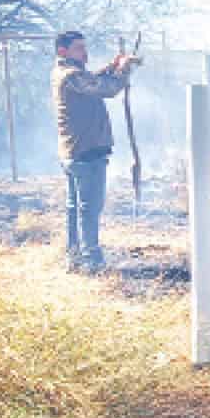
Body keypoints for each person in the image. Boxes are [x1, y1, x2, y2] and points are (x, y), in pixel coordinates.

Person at [51, 30, 140, 273]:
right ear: (63, 51)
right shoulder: (69, 75)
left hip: (77, 152)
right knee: (89, 209)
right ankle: (92, 262)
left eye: (84, 47)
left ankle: (75, 258)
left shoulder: (69, 73)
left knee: (76, 208)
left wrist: (112, 66)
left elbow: (92, 78)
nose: (85, 52)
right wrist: (123, 71)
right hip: (84, 153)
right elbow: (106, 89)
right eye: (79, 48)